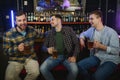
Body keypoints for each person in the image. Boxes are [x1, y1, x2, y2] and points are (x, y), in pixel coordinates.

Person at [78, 10, 120, 80]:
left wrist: (101, 46)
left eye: (92, 19)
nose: (89, 21)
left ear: (99, 19)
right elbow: (82, 34)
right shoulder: (92, 30)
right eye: (89, 19)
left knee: (97, 77)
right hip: (97, 56)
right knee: (79, 66)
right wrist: (81, 39)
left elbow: (116, 51)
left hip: (110, 59)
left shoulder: (111, 32)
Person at [40, 14, 80, 80]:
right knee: (42, 69)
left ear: (59, 20)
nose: (50, 22)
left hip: (67, 56)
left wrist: (74, 56)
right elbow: (43, 47)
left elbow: (76, 44)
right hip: (55, 56)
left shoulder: (69, 30)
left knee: (75, 70)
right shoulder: (49, 33)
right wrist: (47, 49)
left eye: (52, 19)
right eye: (50, 20)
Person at [3, 11, 40, 80]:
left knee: (35, 73)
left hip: (30, 57)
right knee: (8, 77)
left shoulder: (31, 29)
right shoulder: (8, 34)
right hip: (15, 59)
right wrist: (17, 49)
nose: (22, 23)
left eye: (24, 20)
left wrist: (54, 31)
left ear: (26, 19)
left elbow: (41, 35)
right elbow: (5, 51)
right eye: (19, 20)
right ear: (15, 22)